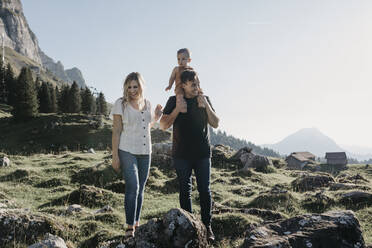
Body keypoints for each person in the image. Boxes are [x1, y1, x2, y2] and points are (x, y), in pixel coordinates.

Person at [160, 70, 219, 242]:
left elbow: (215, 123)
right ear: (183, 85)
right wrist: (177, 109)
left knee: (205, 191)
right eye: (193, 84)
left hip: (202, 154)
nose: (197, 87)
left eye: (198, 83)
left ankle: (207, 227)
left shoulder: (204, 99)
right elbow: (163, 124)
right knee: (185, 191)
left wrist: (206, 106)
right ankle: (190, 225)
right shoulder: (174, 100)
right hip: (181, 155)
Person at [110, 72, 162, 238]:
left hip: (145, 152)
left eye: (135, 86)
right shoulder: (121, 104)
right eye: (129, 87)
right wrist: (115, 156)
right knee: (133, 186)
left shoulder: (147, 103)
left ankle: (137, 224)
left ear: (141, 87)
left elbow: (147, 124)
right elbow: (117, 131)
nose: (132, 90)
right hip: (127, 150)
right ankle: (129, 227)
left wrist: (157, 117)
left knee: (141, 190)